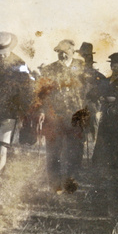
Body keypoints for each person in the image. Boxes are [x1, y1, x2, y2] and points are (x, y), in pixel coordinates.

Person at [0, 32, 32, 176]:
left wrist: (22, 111)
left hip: (9, 112)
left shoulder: (19, 63)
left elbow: (27, 89)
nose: (1, 55)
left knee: (3, 146)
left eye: (4, 51)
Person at [38, 40, 86, 191]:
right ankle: (54, 184)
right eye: (59, 50)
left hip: (75, 115)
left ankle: (71, 181)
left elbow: (88, 89)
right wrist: (41, 111)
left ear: (73, 51)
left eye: (65, 50)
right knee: (53, 150)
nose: (62, 53)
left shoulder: (82, 67)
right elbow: (42, 92)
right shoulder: (49, 69)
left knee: (75, 150)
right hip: (54, 115)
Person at [92, 52, 118, 171]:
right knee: (104, 135)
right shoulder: (106, 80)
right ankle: (103, 160)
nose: (115, 69)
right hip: (106, 110)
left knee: (117, 137)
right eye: (113, 66)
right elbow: (100, 92)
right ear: (111, 67)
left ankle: (117, 161)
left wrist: (115, 100)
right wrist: (101, 97)